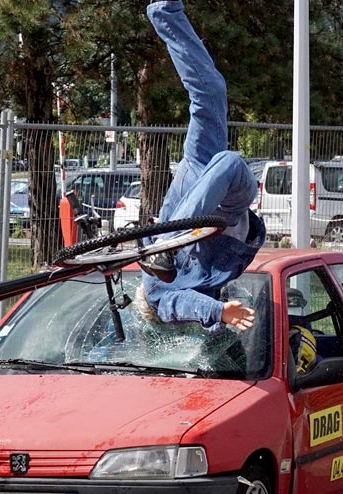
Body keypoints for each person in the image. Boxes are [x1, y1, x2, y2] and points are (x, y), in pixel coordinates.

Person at [137, 0, 266, 333]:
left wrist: (218, 311)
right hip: (225, 209)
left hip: (196, 189)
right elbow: (186, 305)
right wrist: (219, 311)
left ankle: (164, 10)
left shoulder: (155, 289)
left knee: (212, 103)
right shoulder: (184, 292)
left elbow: (174, 304)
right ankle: (166, 13)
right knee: (215, 107)